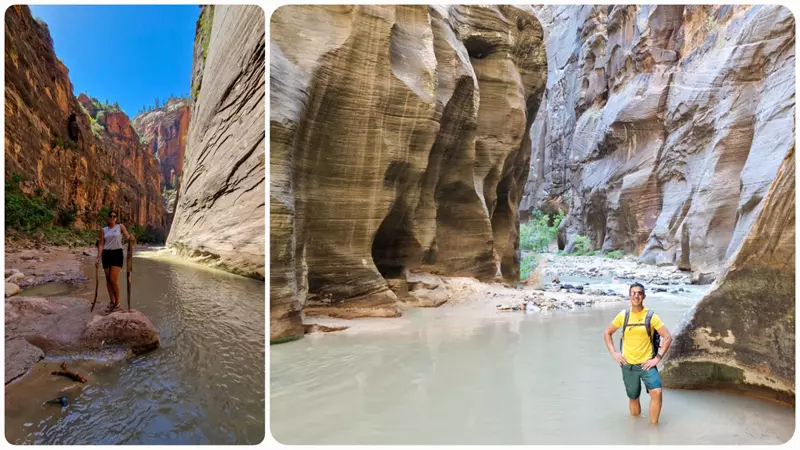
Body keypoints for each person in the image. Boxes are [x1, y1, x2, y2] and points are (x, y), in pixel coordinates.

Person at [603, 282, 672, 424]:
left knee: (657, 392)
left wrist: (657, 358)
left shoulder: (651, 316)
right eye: (633, 293)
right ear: (629, 296)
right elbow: (607, 333)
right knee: (633, 397)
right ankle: (635, 427)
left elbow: (667, 337)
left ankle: (653, 429)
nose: (636, 296)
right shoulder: (624, 315)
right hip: (628, 365)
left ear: (644, 296)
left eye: (639, 293)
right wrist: (614, 353)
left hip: (647, 364)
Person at [96, 210, 135, 313]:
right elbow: (101, 244)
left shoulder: (120, 227)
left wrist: (131, 238)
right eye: (111, 216)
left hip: (117, 254)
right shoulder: (103, 230)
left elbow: (127, 237)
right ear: (108, 218)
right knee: (108, 280)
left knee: (113, 279)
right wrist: (98, 257)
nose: (112, 218)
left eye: (114, 216)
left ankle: (117, 303)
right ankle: (112, 302)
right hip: (106, 254)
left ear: (116, 218)